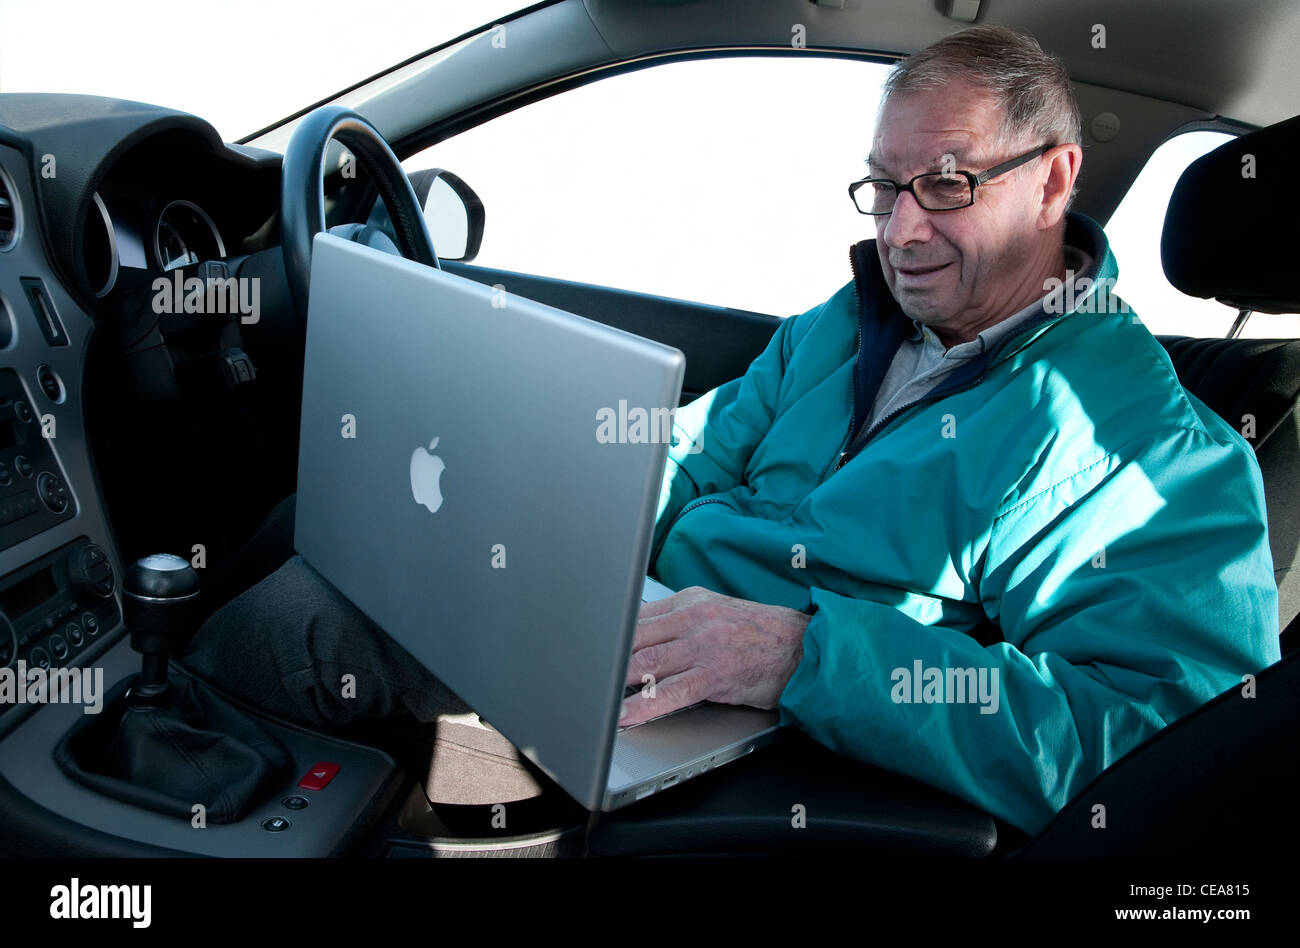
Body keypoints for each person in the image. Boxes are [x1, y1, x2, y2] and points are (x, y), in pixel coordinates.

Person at [181, 24, 1280, 836]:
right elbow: (686, 457)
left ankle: (149, 806)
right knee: (325, 521)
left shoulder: (1160, 459)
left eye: (943, 185)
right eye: (882, 186)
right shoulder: (837, 327)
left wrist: (801, 658)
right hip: (632, 635)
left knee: (305, 624)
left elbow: (1157, 758)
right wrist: (540, 513)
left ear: (1052, 182)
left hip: (792, 742)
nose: (901, 231)